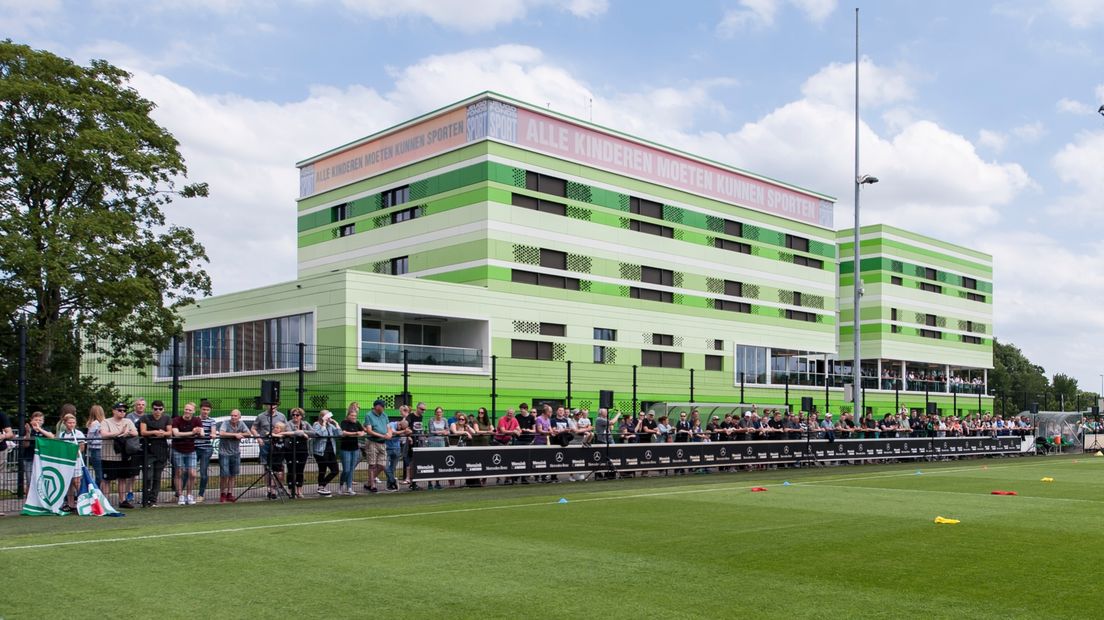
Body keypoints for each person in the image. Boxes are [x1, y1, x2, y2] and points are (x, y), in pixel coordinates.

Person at [100, 403, 138, 508]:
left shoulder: (128, 421)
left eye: (124, 410)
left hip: (124, 455)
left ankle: (122, 500)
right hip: (109, 455)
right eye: (120, 410)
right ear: (114, 411)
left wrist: (127, 432)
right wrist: (119, 433)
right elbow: (104, 434)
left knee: (123, 478)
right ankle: (105, 502)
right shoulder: (106, 421)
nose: (122, 412)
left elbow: (135, 433)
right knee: (107, 479)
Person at [251, 401, 288, 500]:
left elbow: (287, 430)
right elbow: (253, 428)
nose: (273, 407)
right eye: (271, 405)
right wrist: (258, 438)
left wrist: (280, 436)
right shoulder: (261, 416)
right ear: (267, 406)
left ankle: (279, 487)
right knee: (267, 467)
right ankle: (269, 489)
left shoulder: (282, 416)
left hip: (278, 445)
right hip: (266, 444)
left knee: (280, 467)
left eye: (275, 405)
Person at [139, 400, 172, 508]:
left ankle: (153, 500)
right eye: (155, 409)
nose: (157, 411)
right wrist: (154, 432)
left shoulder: (167, 418)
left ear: (163, 409)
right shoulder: (145, 418)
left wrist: (162, 433)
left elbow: (169, 432)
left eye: (160, 409)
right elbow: (143, 432)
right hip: (148, 449)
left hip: (161, 450)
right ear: (152, 409)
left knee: (157, 477)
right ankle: (145, 498)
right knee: (148, 476)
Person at [170, 401, 203, 505]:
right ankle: (180, 495)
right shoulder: (176, 420)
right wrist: (192, 433)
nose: (187, 411)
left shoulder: (197, 420)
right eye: (186, 409)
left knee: (192, 474)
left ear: (193, 411)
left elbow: (201, 433)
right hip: (178, 449)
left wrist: (198, 431)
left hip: (191, 449)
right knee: (179, 472)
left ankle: (189, 494)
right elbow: (176, 433)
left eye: (190, 410)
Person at [217, 409, 250, 503]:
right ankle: (222, 494)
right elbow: (222, 433)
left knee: (233, 474)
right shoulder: (225, 423)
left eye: (235, 416)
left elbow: (248, 433)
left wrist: (240, 434)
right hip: (224, 452)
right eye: (232, 415)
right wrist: (235, 435)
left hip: (235, 452)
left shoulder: (241, 424)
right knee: (224, 474)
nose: (233, 417)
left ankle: (230, 493)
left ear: (239, 417)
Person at [57, 412, 85, 512]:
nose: (71, 425)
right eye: (69, 423)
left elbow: (82, 447)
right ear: (65, 423)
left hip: (76, 461)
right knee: (68, 483)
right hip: (66, 462)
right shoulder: (62, 434)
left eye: (73, 422)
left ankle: (82, 503)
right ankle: (70, 503)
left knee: (77, 482)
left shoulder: (78, 433)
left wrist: (74, 453)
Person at [362, 399, 392, 494]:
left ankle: (369, 482)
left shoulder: (385, 415)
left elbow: (389, 428)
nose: (383, 408)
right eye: (382, 406)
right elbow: (369, 430)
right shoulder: (368, 415)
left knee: (382, 465)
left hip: (382, 443)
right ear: (377, 406)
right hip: (372, 442)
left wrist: (389, 434)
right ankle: (373, 485)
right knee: (372, 465)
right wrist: (383, 435)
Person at [311, 410, 341, 496]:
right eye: (328, 417)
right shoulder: (316, 425)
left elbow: (339, 434)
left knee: (335, 470)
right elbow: (321, 434)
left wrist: (336, 424)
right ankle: (321, 488)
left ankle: (321, 486)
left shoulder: (330, 425)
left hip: (331, 451)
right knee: (322, 470)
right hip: (320, 451)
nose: (329, 419)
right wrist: (323, 424)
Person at [284, 408, 312, 498]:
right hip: (290, 449)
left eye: (297, 415)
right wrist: (302, 434)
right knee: (291, 470)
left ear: (301, 416)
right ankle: (291, 490)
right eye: (293, 415)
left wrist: (303, 432)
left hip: (302, 449)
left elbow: (314, 433)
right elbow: (289, 433)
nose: (295, 417)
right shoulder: (288, 423)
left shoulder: (305, 424)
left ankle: (299, 490)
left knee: (300, 470)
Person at [339, 405, 366, 495]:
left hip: (355, 448)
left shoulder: (357, 423)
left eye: (355, 416)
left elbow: (363, 431)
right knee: (346, 469)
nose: (354, 417)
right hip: (345, 449)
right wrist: (355, 433)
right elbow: (343, 432)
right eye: (352, 416)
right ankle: (341, 484)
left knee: (351, 469)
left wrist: (361, 433)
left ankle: (349, 488)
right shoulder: (344, 422)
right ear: (348, 416)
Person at [194, 400, 217, 502]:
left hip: (206, 449)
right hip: (193, 448)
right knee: (187, 472)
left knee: (203, 472)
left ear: (210, 411)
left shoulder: (212, 421)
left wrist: (212, 434)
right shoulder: (194, 420)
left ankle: (201, 494)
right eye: (204, 409)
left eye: (207, 410)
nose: (205, 411)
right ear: (200, 409)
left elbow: (213, 432)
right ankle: (179, 494)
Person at [402, 403, 425, 490]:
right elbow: (405, 427)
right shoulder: (410, 416)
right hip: (411, 443)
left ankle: (414, 482)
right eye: (422, 409)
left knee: (416, 462)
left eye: (424, 409)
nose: (423, 411)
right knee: (411, 462)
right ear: (417, 408)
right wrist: (409, 436)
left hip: (419, 442)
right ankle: (412, 482)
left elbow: (419, 429)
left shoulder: (421, 417)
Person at [84, 404, 105, 487]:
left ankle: (97, 490)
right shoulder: (104, 422)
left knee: (98, 472)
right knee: (102, 472)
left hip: (95, 449)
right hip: (103, 448)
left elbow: (90, 438)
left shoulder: (94, 424)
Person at [384, 419, 407, 492]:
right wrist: (404, 431)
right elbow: (393, 432)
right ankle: (393, 480)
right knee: (385, 467)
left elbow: (409, 432)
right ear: (399, 424)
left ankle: (390, 485)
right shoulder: (391, 424)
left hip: (397, 448)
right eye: (402, 428)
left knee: (392, 468)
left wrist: (406, 431)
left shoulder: (402, 427)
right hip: (388, 448)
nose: (402, 430)